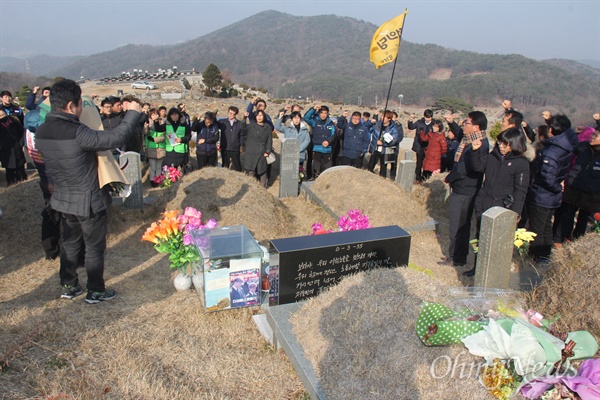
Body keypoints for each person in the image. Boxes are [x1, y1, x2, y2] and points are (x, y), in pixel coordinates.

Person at [35, 79, 142, 303]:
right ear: (71, 105)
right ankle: (96, 290)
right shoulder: (77, 132)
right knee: (94, 248)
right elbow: (115, 137)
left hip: (63, 198)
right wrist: (132, 114)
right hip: (88, 200)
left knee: (70, 243)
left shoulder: (43, 131)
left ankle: (69, 285)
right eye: (80, 104)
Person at [463, 128, 530, 276]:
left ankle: (493, 272)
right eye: (500, 142)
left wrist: (516, 212)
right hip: (485, 202)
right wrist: (474, 152)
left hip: (502, 206)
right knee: (480, 237)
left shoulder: (521, 163)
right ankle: (477, 268)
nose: (501, 146)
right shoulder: (492, 156)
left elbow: (521, 190)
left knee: (497, 243)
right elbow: (478, 167)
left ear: (515, 144)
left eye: (506, 144)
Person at [525, 115, 575, 262]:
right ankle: (545, 255)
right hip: (552, 196)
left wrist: (556, 188)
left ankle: (536, 257)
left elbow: (547, 177)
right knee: (546, 226)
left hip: (542, 194)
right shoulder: (566, 146)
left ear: (551, 130)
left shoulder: (551, 151)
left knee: (537, 228)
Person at [442, 111, 489, 268]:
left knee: (458, 225)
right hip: (462, 187)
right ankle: (457, 256)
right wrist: (451, 122)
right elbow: (459, 132)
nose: (464, 125)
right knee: (459, 224)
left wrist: (450, 177)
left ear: (476, 127)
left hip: (465, 189)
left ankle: (456, 257)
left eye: (466, 123)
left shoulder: (479, 144)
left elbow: (464, 168)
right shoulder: (470, 138)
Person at [554, 128, 600, 244]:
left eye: (596, 135)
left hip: (591, 193)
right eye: (593, 134)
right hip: (573, 187)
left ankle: (575, 241)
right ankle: (559, 240)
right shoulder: (582, 147)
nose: (592, 136)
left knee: (583, 219)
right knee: (567, 215)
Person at [304, 105, 336, 179]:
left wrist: (328, 141)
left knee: (327, 170)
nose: (323, 115)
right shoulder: (315, 121)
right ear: (319, 113)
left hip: (328, 150)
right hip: (317, 149)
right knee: (316, 168)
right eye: (322, 113)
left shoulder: (331, 123)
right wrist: (313, 109)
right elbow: (306, 118)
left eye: (325, 113)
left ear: (327, 114)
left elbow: (334, 134)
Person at [242, 109, 273, 187]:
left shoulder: (267, 127)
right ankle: (250, 188)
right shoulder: (251, 126)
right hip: (251, 152)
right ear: (255, 117)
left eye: (261, 115)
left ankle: (263, 187)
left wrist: (268, 151)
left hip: (262, 151)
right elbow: (242, 127)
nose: (259, 117)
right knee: (251, 170)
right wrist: (244, 118)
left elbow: (269, 140)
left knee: (263, 170)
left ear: (264, 117)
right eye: (258, 115)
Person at [275, 110, 311, 174]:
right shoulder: (287, 128)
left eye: (298, 118)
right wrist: (280, 117)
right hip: (289, 154)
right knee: (289, 172)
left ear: (300, 119)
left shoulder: (305, 129)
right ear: (291, 119)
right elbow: (278, 127)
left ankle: (299, 183)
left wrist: (299, 148)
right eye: (294, 118)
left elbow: (307, 140)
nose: (296, 120)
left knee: (299, 172)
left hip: (300, 154)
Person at [367, 110, 400, 179]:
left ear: (389, 119)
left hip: (385, 150)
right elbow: (368, 129)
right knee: (370, 165)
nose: (382, 118)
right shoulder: (377, 124)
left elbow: (394, 140)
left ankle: (382, 181)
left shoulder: (393, 128)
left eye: (385, 117)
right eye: (382, 116)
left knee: (383, 167)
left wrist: (383, 143)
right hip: (375, 148)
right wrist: (370, 123)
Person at [0, 110, 28, 186]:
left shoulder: (15, 122)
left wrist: (21, 143)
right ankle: (11, 182)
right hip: (5, 151)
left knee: (20, 166)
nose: (2, 117)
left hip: (17, 148)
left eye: (3, 115)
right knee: (9, 168)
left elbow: (22, 133)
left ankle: (22, 180)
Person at [408, 109, 434, 182]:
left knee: (427, 163)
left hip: (429, 146)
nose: (427, 119)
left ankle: (425, 178)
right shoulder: (419, 122)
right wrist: (410, 120)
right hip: (419, 145)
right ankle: (418, 178)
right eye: (426, 117)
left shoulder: (434, 124)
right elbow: (411, 127)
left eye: (429, 117)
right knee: (419, 163)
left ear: (431, 117)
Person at [218, 106, 245, 171]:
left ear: (236, 114)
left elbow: (241, 135)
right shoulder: (222, 122)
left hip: (235, 148)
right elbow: (214, 124)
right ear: (228, 112)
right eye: (230, 113)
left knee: (237, 166)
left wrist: (241, 145)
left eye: (233, 114)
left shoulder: (239, 124)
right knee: (225, 166)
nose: (231, 115)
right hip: (225, 147)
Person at [145, 108, 166, 187]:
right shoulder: (148, 125)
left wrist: (155, 139)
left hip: (161, 148)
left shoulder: (163, 123)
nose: (154, 116)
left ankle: (158, 180)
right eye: (152, 115)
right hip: (152, 148)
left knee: (159, 166)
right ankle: (152, 181)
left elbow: (164, 136)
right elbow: (146, 135)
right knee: (153, 166)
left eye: (156, 114)